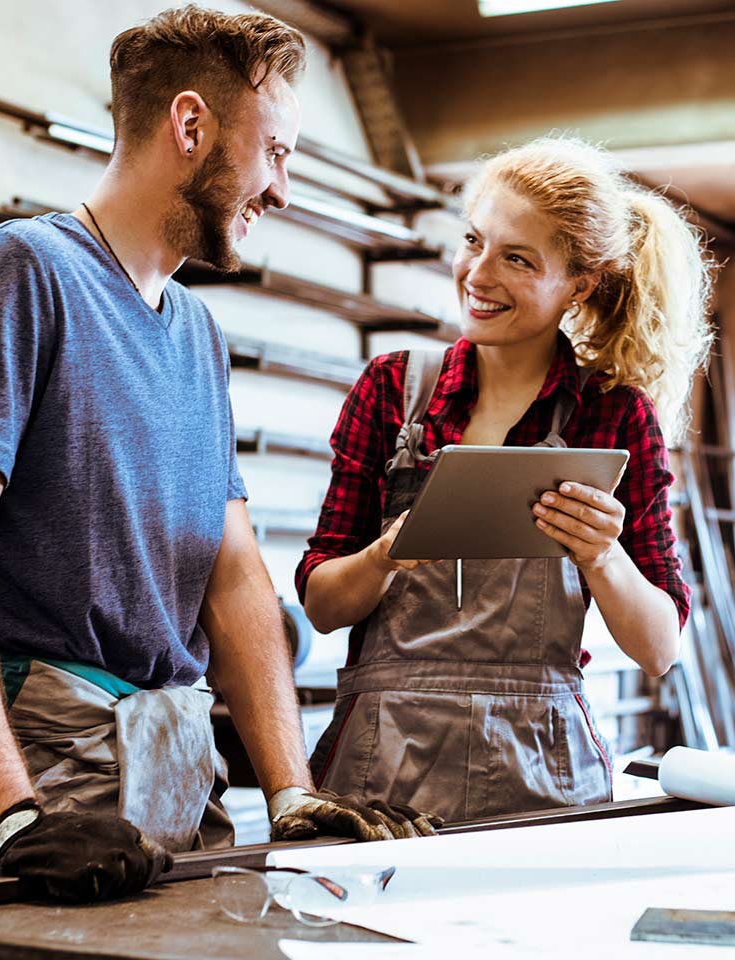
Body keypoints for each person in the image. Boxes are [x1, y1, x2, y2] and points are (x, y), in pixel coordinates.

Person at [0, 5, 432, 906]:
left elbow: (235, 577)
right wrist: (10, 816)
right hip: (45, 770)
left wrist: (291, 791)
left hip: (178, 758)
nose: (281, 190)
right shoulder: (22, 274)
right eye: (277, 152)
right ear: (189, 125)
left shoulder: (198, 336)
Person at [297, 136, 709, 823]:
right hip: (380, 773)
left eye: (516, 258)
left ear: (580, 282)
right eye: (473, 241)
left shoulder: (612, 415)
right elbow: (320, 604)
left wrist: (602, 555)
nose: (476, 274)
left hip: (543, 774)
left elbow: (659, 648)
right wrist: (386, 554)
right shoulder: (392, 391)